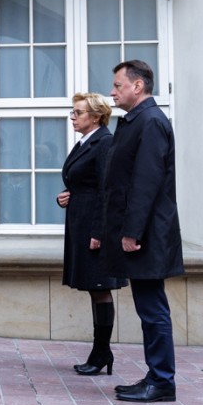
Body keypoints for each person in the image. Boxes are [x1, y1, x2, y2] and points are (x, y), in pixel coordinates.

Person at [103, 60, 183, 403]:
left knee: (152, 309)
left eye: (118, 85)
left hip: (147, 234)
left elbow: (146, 182)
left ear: (138, 86)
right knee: (149, 308)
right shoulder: (139, 120)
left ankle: (162, 381)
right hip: (144, 231)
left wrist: (132, 232)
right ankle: (156, 376)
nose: (112, 92)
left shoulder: (150, 121)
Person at [56, 92, 126, 376]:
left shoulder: (104, 142)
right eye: (72, 112)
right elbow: (84, 183)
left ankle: (101, 353)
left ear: (96, 117)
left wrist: (99, 232)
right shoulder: (86, 142)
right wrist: (65, 196)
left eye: (78, 112)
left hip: (94, 228)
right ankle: (100, 352)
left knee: (99, 288)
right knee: (94, 288)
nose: (73, 117)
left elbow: (108, 190)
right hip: (80, 222)